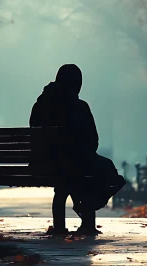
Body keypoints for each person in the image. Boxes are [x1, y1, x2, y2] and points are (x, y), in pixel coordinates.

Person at [29, 64, 126, 236]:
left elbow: (35, 132)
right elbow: (93, 140)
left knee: (70, 179)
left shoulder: (41, 104)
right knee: (107, 171)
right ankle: (87, 207)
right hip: (76, 163)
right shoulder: (80, 107)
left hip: (45, 163)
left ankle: (68, 219)